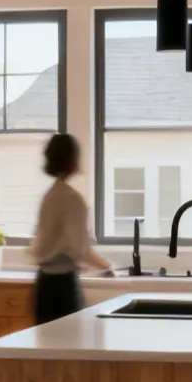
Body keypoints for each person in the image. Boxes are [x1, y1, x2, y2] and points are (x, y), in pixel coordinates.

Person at [27, 134, 113, 323]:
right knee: (69, 345)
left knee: (46, 347)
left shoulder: (49, 196)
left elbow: (38, 244)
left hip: (43, 286)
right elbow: (80, 249)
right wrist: (108, 266)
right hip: (62, 288)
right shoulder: (73, 199)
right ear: (72, 159)